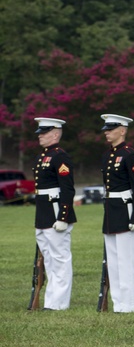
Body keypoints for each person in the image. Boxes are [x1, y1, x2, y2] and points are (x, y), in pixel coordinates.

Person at [100, 113, 134, 313]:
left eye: (111, 129)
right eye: (106, 129)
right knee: (113, 259)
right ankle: (118, 302)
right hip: (111, 208)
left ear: (123, 130)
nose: (107, 133)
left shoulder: (130, 155)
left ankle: (128, 304)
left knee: (125, 259)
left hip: (125, 207)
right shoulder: (108, 155)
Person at [32, 117, 76, 310]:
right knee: (48, 259)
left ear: (56, 134)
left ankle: (59, 303)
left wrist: (63, 216)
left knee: (60, 258)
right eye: (40, 132)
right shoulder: (43, 156)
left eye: (44, 132)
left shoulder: (60, 156)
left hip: (55, 210)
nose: (40, 135)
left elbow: (67, 189)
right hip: (43, 211)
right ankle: (51, 300)